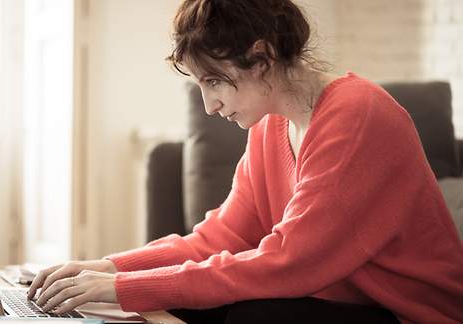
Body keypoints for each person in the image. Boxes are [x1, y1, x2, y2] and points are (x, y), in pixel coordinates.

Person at [27, 0, 463, 323]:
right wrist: (107, 267)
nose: (210, 106)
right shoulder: (268, 126)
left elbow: (289, 261)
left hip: (407, 313)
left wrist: (124, 289)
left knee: (247, 313)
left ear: (261, 58)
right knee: (179, 303)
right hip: (336, 301)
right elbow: (220, 237)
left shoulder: (357, 116)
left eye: (214, 81)